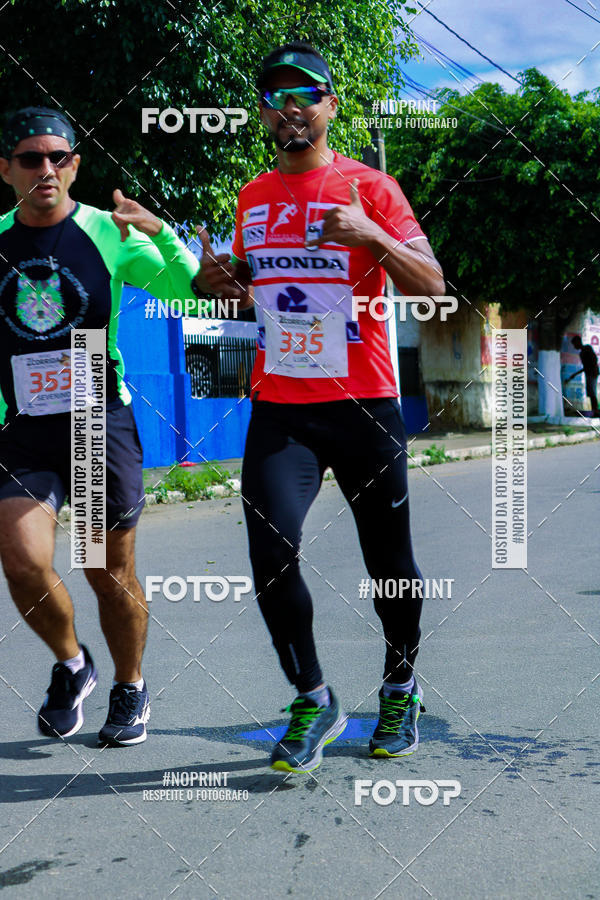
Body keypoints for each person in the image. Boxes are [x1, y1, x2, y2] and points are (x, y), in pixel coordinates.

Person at [198, 42, 445, 773]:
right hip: (282, 408)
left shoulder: (374, 187)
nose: (291, 107)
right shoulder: (252, 197)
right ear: (265, 116)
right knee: (271, 555)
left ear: (331, 105)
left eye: (305, 93)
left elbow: (431, 284)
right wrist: (218, 282)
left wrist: (371, 234)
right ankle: (314, 697)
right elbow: (248, 291)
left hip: (364, 405)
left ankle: (400, 683)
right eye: (275, 97)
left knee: (389, 562)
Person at [0, 106, 202, 745]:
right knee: (22, 559)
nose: (46, 169)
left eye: (59, 157)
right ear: (5, 169)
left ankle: (130, 686)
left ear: (75, 165)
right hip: (25, 428)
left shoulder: (106, 232)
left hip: (94, 421)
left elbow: (187, 290)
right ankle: (73, 664)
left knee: (104, 570)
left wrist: (162, 233)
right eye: (31, 158)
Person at [565, 335, 599, 417]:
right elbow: (586, 366)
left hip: (592, 373)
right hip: (589, 373)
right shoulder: (582, 353)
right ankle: (595, 411)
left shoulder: (587, 348)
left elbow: (594, 360)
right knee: (591, 393)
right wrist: (574, 374)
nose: (574, 346)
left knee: (592, 393)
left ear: (578, 342)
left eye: (574, 344)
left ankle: (596, 411)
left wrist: (592, 369)